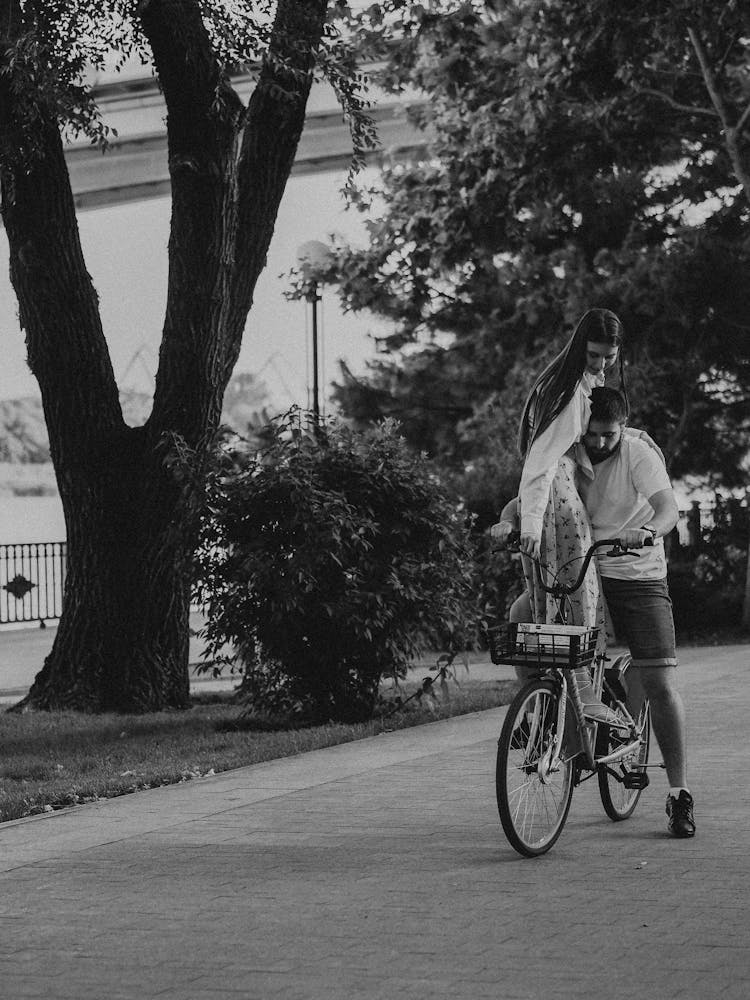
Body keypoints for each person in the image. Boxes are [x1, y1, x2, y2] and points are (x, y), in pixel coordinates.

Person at [491, 308, 631, 722]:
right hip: (557, 501)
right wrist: (530, 523)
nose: (602, 364)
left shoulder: (574, 383)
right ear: (578, 347)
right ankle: (583, 696)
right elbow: (539, 463)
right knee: (576, 596)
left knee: (558, 601)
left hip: (559, 496)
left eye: (609, 356)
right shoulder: (569, 391)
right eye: (593, 355)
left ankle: (564, 702)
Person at [574, 386, 695, 838]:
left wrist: (646, 531)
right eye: (593, 433)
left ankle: (679, 794)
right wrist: (509, 519)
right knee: (526, 619)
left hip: (638, 573)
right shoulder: (571, 451)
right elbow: (534, 490)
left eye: (609, 434)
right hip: (585, 570)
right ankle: (543, 728)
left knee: (660, 683)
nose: (600, 443)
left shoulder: (638, 454)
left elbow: (668, 510)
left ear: (622, 428)